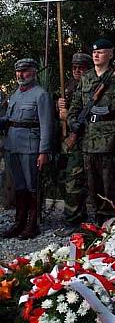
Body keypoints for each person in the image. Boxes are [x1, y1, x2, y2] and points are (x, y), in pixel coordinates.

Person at [68, 38, 115, 225]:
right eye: (94, 52)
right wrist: (74, 124)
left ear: (111, 55)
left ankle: (112, 224)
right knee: (92, 186)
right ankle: (97, 223)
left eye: (101, 52)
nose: (96, 55)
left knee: (109, 187)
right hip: (88, 141)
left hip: (108, 143)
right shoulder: (86, 78)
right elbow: (75, 107)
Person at [0, 59, 53, 239]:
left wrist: (43, 151)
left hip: (31, 146)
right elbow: (9, 118)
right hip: (12, 145)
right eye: (18, 71)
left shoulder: (41, 95)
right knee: (20, 186)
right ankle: (19, 221)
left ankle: (32, 224)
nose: (21, 75)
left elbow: (46, 125)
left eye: (25, 71)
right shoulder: (15, 95)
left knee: (32, 186)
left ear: (34, 71)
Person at [55, 52, 93, 236]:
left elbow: (87, 115)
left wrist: (67, 115)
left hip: (80, 140)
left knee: (75, 181)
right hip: (65, 140)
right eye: (74, 67)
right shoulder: (69, 85)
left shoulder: (91, 85)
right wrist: (59, 106)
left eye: (81, 67)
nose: (77, 71)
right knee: (62, 178)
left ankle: (75, 219)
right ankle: (73, 213)